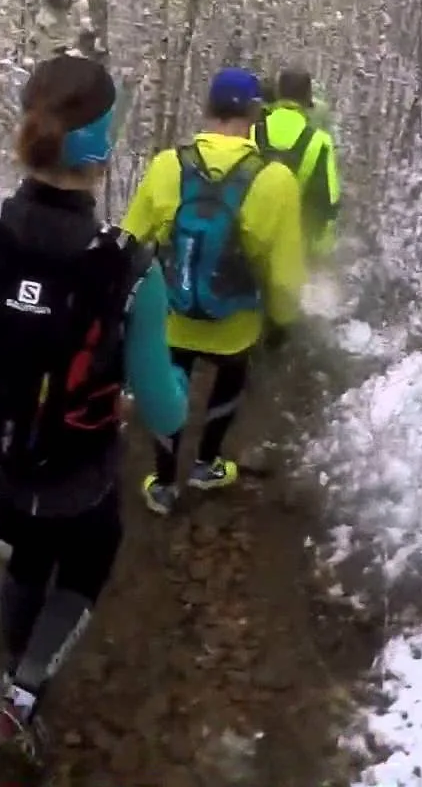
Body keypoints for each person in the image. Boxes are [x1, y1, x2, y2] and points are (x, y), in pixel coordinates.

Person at [0, 52, 190, 764]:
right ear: (104, 150)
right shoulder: (131, 267)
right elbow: (167, 413)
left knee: (26, 550)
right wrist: (166, 376)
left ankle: (17, 651)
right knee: (89, 553)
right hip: (77, 489)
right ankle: (21, 692)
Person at [122, 66, 305, 516]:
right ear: (256, 114)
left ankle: (163, 484)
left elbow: (128, 240)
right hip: (236, 322)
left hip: (173, 312)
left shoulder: (168, 165)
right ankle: (206, 465)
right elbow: (284, 274)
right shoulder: (276, 181)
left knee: (171, 389)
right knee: (228, 383)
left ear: (206, 110)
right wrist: (282, 319)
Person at [255, 68, 342, 263]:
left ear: (277, 95)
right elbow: (329, 202)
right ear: (308, 99)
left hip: (248, 239)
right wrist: (319, 251)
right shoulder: (321, 142)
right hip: (292, 248)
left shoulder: (254, 130)